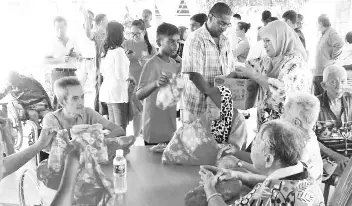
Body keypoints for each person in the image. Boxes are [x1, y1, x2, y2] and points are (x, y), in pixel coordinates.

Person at [200, 120, 324, 206]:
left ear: (268, 159)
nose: (252, 145)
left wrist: (209, 187)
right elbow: (273, 182)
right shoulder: (304, 172)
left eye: (256, 142)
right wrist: (238, 175)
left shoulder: (267, 195)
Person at [236, 20, 311, 130]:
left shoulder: (296, 64)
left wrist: (255, 75)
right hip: (267, 128)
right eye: (263, 41)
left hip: (287, 130)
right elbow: (249, 65)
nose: (264, 45)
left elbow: (281, 89)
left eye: (268, 41)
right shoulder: (271, 60)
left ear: (280, 39)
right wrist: (238, 72)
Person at [182, 2, 232, 120]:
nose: (224, 28)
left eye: (227, 25)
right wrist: (213, 95)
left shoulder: (226, 41)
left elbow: (230, 70)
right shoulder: (196, 39)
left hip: (219, 107)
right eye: (222, 23)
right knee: (198, 138)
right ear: (210, 17)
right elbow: (194, 75)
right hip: (199, 108)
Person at [136, 22, 180, 145]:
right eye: (171, 41)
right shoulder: (151, 64)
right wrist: (155, 83)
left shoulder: (173, 64)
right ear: (159, 42)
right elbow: (139, 95)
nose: (176, 45)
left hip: (170, 127)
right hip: (153, 128)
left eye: (177, 41)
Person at [42, 76, 125, 139]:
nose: (81, 102)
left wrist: (100, 141)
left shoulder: (89, 113)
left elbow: (119, 130)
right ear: (62, 102)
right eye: (75, 98)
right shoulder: (51, 119)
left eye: (82, 97)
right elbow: (53, 149)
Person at [123, 19, 157, 136]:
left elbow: (156, 67)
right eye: (132, 34)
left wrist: (144, 63)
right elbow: (119, 63)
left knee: (143, 112)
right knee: (135, 113)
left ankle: (140, 136)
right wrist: (125, 58)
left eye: (137, 33)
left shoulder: (151, 47)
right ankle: (136, 138)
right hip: (131, 84)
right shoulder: (126, 44)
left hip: (146, 84)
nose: (134, 36)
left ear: (144, 31)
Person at [316, 65, 351, 171]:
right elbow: (309, 138)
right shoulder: (314, 106)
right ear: (324, 85)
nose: (339, 86)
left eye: (343, 81)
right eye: (334, 82)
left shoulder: (351, 100)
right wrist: (336, 156)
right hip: (327, 161)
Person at [99, 21, 130, 131]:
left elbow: (102, 72)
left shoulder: (105, 51)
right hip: (118, 92)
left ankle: (113, 148)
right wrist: (129, 77)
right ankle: (121, 147)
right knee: (121, 128)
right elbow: (120, 74)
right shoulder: (119, 51)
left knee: (112, 127)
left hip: (107, 91)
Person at [44, 16, 78, 110]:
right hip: (58, 73)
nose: (60, 30)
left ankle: (73, 122)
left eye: (62, 27)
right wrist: (60, 59)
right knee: (60, 100)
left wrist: (76, 55)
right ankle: (59, 123)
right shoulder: (51, 42)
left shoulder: (73, 41)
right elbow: (45, 60)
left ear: (66, 27)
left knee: (74, 98)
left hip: (72, 72)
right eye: (57, 28)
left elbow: (80, 56)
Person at [82, 12, 108, 115]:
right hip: (100, 67)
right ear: (102, 21)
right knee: (100, 89)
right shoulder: (97, 32)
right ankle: (100, 114)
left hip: (109, 67)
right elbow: (88, 34)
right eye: (106, 20)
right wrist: (86, 19)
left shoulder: (108, 32)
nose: (108, 22)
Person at [314, 14, 344, 96]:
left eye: (316, 24)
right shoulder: (324, 33)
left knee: (324, 100)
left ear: (320, 23)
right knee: (318, 99)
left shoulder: (331, 32)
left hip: (325, 71)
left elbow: (340, 44)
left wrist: (332, 56)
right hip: (319, 72)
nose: (316, 26)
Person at [77, 8, 97, 109]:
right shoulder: (79, 29)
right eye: (87, 17)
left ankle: (96, 109)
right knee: (79, 85)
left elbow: (88, 34)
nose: (88, 19)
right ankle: (80, 106)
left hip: (93, 61)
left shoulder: (94, 30)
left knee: (94, 86)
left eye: (90, 18)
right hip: (83, 60)